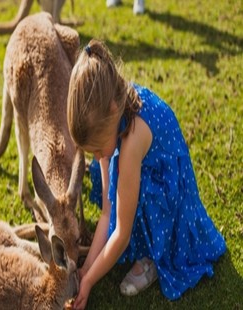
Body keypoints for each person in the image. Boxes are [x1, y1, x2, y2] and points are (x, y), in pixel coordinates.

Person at [67, 39, 226, 309]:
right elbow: (108, 211)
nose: (96, 158)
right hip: (140, 170)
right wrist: (86, 269)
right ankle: (142, 249)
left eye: (96, 149)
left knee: (132, 206)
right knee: (112, 181)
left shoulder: (131, 140)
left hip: (167, 188)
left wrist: (90, 281)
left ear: (113, 112)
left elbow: (122, 232)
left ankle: (154, 257)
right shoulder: (110, 120)